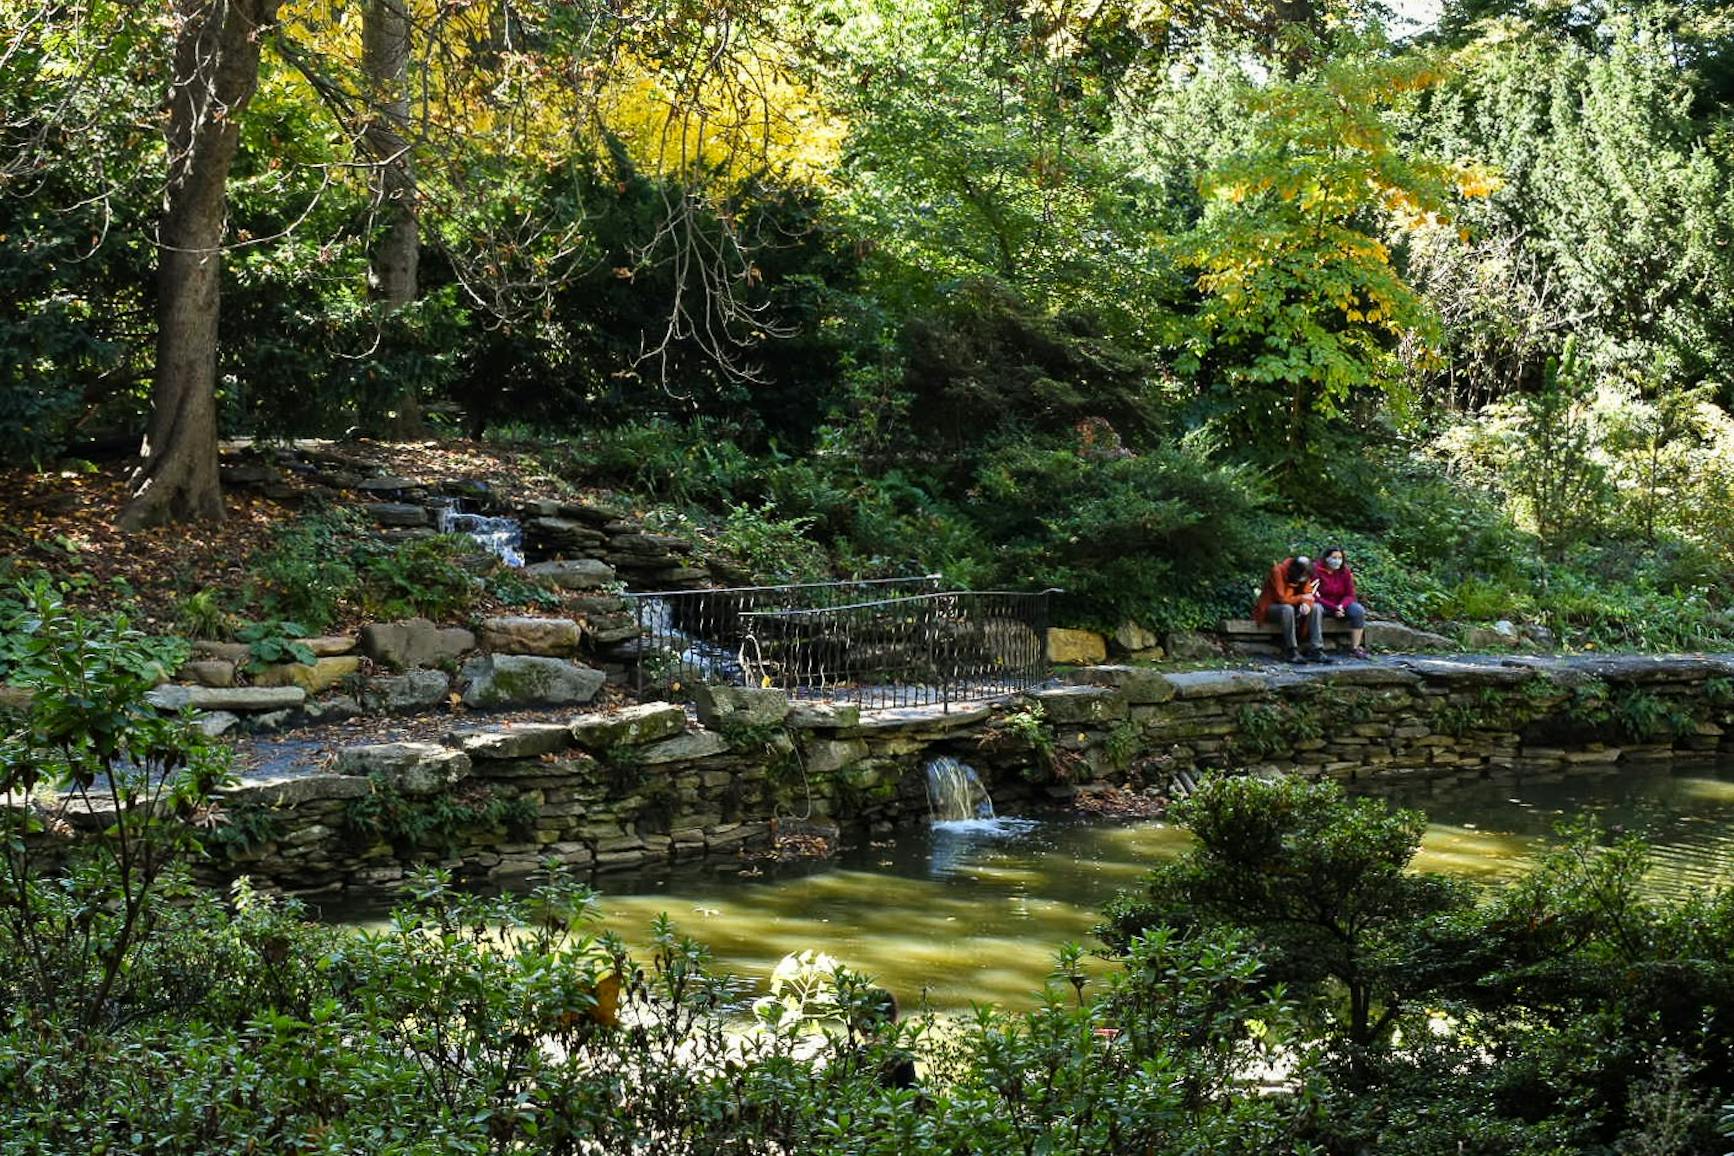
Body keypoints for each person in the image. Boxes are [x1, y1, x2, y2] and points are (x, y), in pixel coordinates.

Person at [1253, 555, 1327, 663]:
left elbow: (1308, 593)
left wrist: (1306, 603)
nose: (1304, 577)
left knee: (1316, 607)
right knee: (1287, 609)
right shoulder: (1278, 571)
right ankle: (1291, 650)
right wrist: (1301, 598)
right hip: (1273, 606)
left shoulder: (1305, 573)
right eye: (1303, 575)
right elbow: (1281, 598)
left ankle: (1316, 649)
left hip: (1294, 604)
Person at [1315, 545, 1369, 659]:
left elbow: (1350, 594)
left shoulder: (1345, 572)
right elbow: (1314, 595)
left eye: (1340, 558)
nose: (1337, 561)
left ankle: (1355, 647)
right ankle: (1317, 648)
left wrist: (1341, 606)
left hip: (1341, 604)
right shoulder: (1316, 571)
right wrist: (1334, 608)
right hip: (1324, 604)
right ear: (1326, 558)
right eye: (1334, 558)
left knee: (1358, 610)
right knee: (1316, 609)